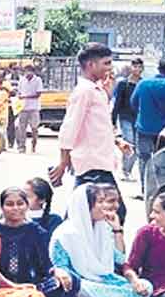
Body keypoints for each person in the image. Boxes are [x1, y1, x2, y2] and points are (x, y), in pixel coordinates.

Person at [49, 44, 134, 224]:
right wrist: (63, 162)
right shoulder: (84, 92)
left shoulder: (97, 90)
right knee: (110, 211)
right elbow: (70, 127)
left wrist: (117, 141)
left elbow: (98, 125)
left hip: (99, 162)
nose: (110, 68)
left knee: (84, 212)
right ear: (91, 65)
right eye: (106, 63)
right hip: (92, 164)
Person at [48, 184, 152, 297]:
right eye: (100, 202)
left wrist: (117, 230)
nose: (105, 206)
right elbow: (61, 268)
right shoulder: (65, 234)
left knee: (146, 286)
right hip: (82, 283)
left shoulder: (104, 228)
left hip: (105, 280)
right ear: (86, 205)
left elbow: (120, 259)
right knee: (79, 288)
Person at [0, 187, 79, 297]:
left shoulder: (35, 230)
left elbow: (46, 262)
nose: (15, 208)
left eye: (20, 204)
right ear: (2, 207)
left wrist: (57, 271)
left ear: (27, 206)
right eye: (9, 204)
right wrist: (10, 285)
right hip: (0, 285)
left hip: (32, 286)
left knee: (71, 280)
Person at [130, 56, 165, 195]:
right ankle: (160, 190)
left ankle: (145, 190)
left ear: (158, 68)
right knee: (162, 160)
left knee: (144, 159)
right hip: (164, 130)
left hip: (143, 128)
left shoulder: (143, 83)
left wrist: (143, 113)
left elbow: (133, 102)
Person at [111, 59, 143, 181]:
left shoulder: (143, 84)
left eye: (139, 67)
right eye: (135, 66)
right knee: (129, 142)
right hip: (125, 117)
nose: (137, 69)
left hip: (138, 118)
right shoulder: (123, 84)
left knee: (137, 146)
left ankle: (128, 169)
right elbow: (117, 102)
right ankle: (125, 171)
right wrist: (113, 120)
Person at [14, 63, 44, 154]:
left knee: (34, 128)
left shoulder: (38, 80)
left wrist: (25, 96)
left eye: (29, 72)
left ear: (32, 72)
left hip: (34, 108)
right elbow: (19, 92)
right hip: (23, 108)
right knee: (21, 128)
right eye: (26, 72)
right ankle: (21, 147)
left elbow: (38, 94)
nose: (27, 74)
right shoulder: (22, 80)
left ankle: (33, 145)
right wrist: (19, 97)